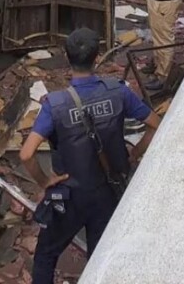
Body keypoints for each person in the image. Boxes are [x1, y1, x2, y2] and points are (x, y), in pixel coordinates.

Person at [20, 28, 161, 284]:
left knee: (45, 256)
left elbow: (27, 154)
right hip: (109, 191)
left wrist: (45, 181)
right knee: (100, 258)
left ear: (66, 57)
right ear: (97, 58)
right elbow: (155, 125)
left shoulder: (54, 105)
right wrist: (134, 154)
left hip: (70, 195)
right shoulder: (119, 92)